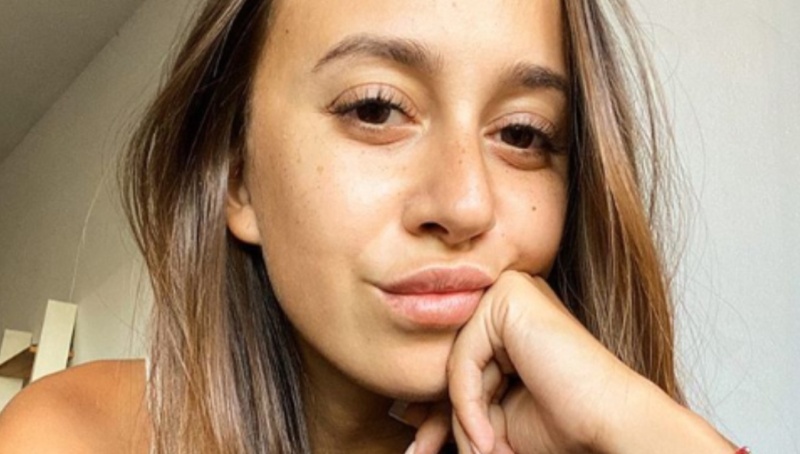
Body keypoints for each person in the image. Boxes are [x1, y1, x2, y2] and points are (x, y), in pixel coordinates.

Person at [0, 0, 747, 452]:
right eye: (376, 108)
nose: (464, 203)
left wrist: (640, 433)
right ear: (238, 178)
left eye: (523, 133)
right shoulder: (75, 434)